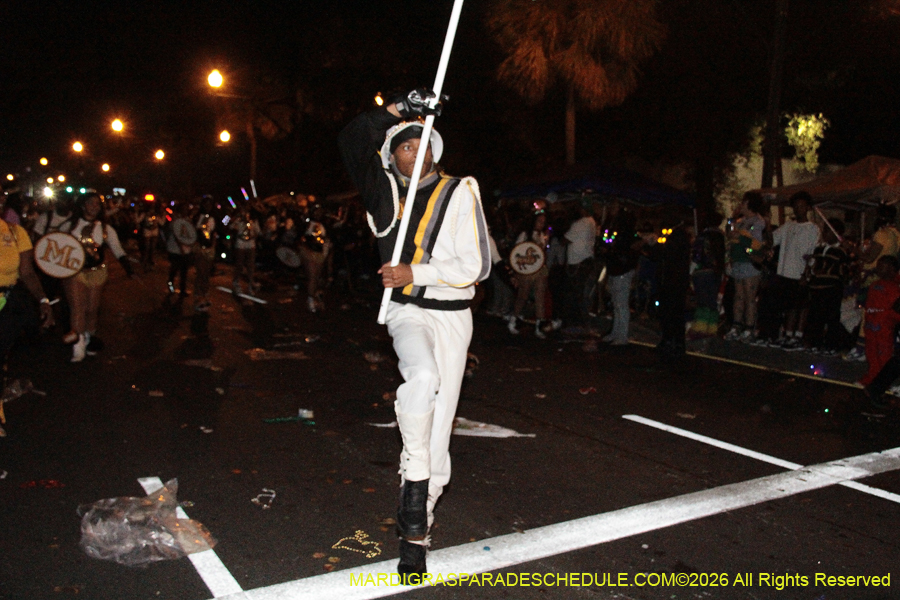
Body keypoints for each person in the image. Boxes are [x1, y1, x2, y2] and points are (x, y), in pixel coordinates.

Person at [338, 88, 490, 580]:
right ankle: (410, 492)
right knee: (420, 379)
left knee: (438, 430)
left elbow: (477, 265)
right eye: (406, 144)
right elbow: (352, 137)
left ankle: (416, 529)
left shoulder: (462, 189)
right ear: (392, 155)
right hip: (405, 313)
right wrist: (403, 109)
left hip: (453, 315)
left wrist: (415, 271)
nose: (416, 150)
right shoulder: (382, 193)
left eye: (424, 142)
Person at [59, 193, 133, 362]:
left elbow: (118, 250)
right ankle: (77, 347)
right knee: (78, 307)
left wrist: (129, 268)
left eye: (97, 204)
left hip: (98, 272)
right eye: (90, 203)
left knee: (92, 309)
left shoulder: (106, 229)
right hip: (75, 272)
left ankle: (87, 338)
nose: (94, 206)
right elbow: (57, 244)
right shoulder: (70, 225)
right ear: (83, 205)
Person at [756, 191, 820, 349]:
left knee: (799, 307)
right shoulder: (788, 226)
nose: (798, 209)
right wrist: (768, 225)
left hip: (799, 274)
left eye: (801, 206)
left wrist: (806, 273)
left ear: (807, 208)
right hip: (784, 273)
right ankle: (784, 334)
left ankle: (796, 336)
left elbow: (813, 253)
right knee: (786, 307)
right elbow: (771, 241)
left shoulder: (813, 229)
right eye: (796, 206)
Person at [803, 219, 850, 355]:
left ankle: (831, 345)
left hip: (832, 288)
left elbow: (843, 270)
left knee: (832, 317)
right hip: (817, 287)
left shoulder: (840, 251)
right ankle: (815, 343)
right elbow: (814, 267)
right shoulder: (818, 249)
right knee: (815, 316)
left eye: (828, 231)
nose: (824, 234)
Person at [724, 192, 767, 342]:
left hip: (749, 263)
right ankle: (736, 326)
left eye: (743, 202)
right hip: (738, 262)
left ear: (749, 204)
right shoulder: (741, 221)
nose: (741, 205)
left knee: (749, 297)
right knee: (738, 296)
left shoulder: (758, 222)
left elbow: (755, 244)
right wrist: (731, 219)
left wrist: (741, 241)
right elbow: (729, 233)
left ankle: (749, 328)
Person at [858, 255, 900, 389]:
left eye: (882, 266)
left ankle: (881, 383)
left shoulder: (895, 288)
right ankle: (872, 377)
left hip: (885, 328)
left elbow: (895, 311)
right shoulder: (874, 285)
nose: (878, 268)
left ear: (892, 269)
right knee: (871, 354)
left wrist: (888, 320)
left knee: (884, 355)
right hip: (871, 327)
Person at [506, 210, 550, 338]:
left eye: (543, 222)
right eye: (539, 221)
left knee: (539, 296)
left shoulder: (543, 235)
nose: (541, 224)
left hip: (539, 270)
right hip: (526, 270)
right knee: (523, 296)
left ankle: (539, 326)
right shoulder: (525, 234)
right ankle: (513, 320)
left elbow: (542, 254)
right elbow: (516, 253)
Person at [602, 210, 640, 345]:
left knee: (621, 304)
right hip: (617, 270)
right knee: (617, 303)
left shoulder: (627, 236)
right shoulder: (621, 235)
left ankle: (622, 335)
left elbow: (625, 254)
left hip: (621, 271)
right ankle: (616, 332)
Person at [689, 212, 726, 339]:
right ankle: (711, 328)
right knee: (712, 301)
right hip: (716, 272)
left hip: (702, 271)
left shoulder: (703, 236)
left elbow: (697, 256)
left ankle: (700, 328)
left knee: (702, 301)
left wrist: (690, 271)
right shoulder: (721, 236)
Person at [563, 202, 597, 331]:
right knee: (581, 293)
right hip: (585, 260)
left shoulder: (581, 223)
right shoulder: (591, 222)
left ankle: (578, 323)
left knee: (577, 294)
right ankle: (582, 323)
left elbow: (565, 239)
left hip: (579, 262)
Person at [193, 198, 217, 311]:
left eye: (210, 204)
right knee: (200, 273)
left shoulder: (213, 218)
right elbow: (193, 232)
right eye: (206, 204)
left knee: (207, 273)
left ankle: (205, 295)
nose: (208, 206)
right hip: (200, 248)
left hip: (209, 248)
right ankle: (198, 298)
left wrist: (213, 247)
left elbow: (215, 232)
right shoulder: (198, 217)